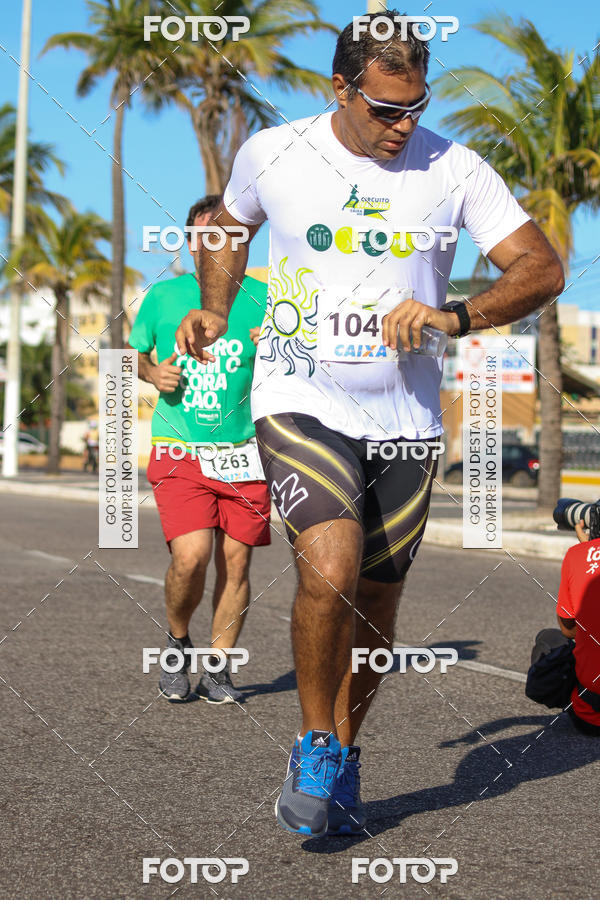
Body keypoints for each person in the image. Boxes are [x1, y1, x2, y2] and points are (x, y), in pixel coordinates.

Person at [175, 11, 564, 835]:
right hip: (300, 396)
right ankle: (316, 741)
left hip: (406, 419)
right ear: (340, 88)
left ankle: (344, 755)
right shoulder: (272, 152)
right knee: (332, 566)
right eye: (386, 108)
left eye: (416, 106)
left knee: (377, 604)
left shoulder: (456, 168)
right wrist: (214, 307)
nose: (403, 125)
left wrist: (458, 316)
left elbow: (541, 267)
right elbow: (227, 228)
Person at [127, 194, 270, 705]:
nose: (215, 247)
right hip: (179, 445)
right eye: (205, 237)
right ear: (189, 244)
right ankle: (177, 641)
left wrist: (278, 345)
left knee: (237, 563)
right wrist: (150, 372)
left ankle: (219, 667)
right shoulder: (164, 297)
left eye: (228, 237)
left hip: (247, 450)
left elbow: (303, 366)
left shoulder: (268, 298)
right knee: (191, 557)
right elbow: (129, 354)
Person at [528, 515, 600, 736]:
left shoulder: (576, 555)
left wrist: (587, 549)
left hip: (592, 718)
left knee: (549, 638)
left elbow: (569, 630)